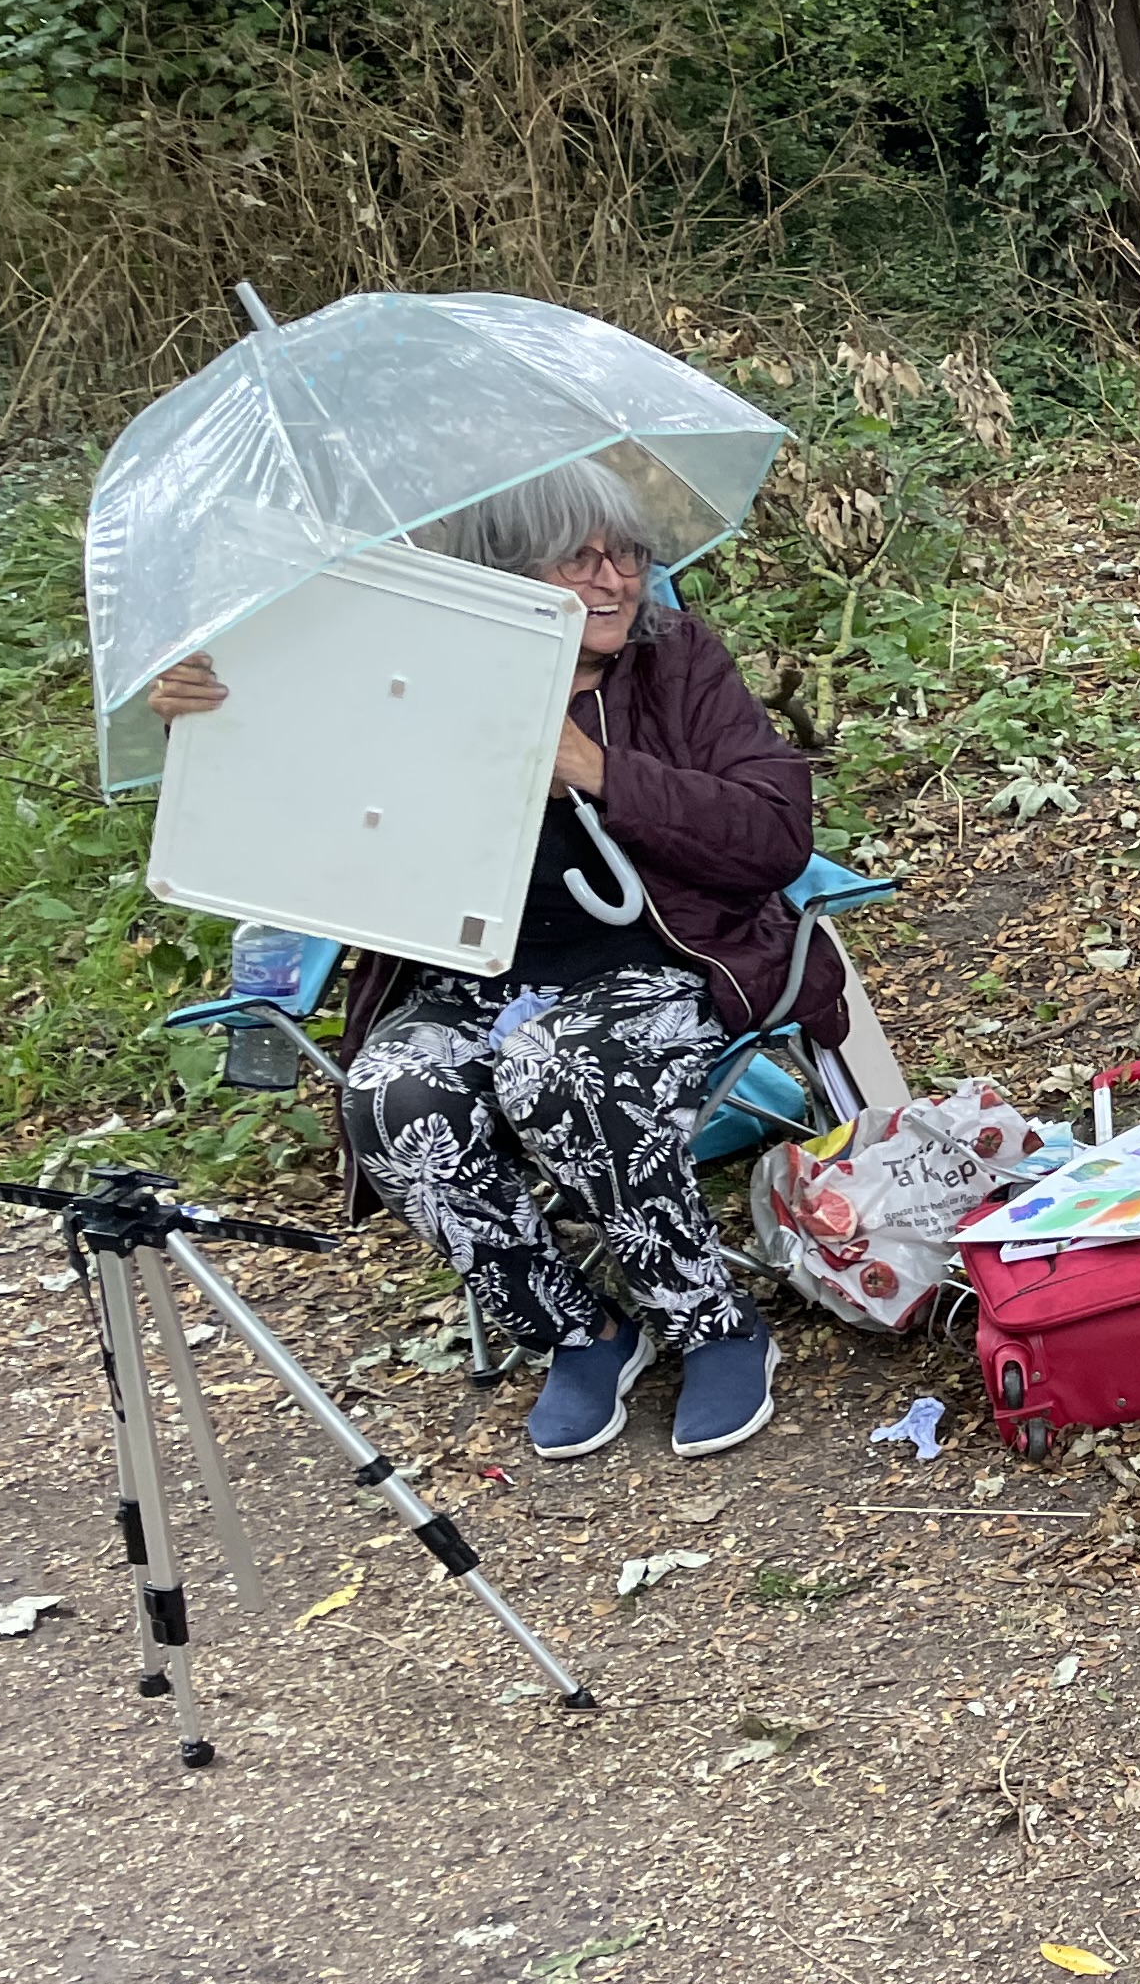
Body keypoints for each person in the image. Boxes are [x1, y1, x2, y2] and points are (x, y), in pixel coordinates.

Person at [145, 461, 839, 1460]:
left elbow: (774, 833)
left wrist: (594, 770)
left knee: (560, 1065)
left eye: (629, 554)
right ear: (506, 575)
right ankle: (577, 1331)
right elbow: (304, 814)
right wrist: (222, 726)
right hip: (474, 981)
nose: (614, 580)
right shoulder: (407, 678)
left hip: (663, 963)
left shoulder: (675, 659)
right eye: (580, 560)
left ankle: (710, 1320)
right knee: (390, 1095)